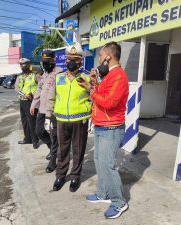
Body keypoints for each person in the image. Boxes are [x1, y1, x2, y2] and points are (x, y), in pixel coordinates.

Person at [78, 42, 129, 219]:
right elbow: (99, 96)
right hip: (101, 125)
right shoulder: (107, 76)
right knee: (99, 161)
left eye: (100, 55)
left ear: (108, 57)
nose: (98, 59)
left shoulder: (119, 76)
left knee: (108, 165)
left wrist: (92, 90)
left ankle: (119, 202)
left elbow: (109, 102)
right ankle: (103, 193)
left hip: (111, 127)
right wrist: (92, 83)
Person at [52, 43, 91, 192]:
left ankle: (75, 176)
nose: (71, 62)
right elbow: (53, 98)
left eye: (75, 59)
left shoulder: (87, 78)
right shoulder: (58, 78)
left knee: (78, 149)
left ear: (80, 61)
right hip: (61, 120)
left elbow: (94, 95)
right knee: (62, 150)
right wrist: (50, 117)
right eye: (69, 59)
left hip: (80, 120)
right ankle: (60, 176)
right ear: (65, 60)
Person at [30, 50, 61, 173]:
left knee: (54, 134)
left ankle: (53, 159)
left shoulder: (59, 73)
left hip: (53, 110)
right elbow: (39, 90)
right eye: (43, 62)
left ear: (53, 60)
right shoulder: (44, 75)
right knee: (39, 131)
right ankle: (52, 148)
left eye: (47, 62)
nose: (45, 64)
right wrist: (33, 104)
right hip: (42, 109)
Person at [15, 58, 40, 149]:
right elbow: (16, 88)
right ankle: (27, 139)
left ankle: (35, 140)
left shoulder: (35, 75)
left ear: (29, 65)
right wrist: (24, 95)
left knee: (32, 122)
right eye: (21, 65)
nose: (22, 66)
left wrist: (33, 94)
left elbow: (41, 87)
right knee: (24, 121)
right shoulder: (19, 76)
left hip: (31, 101)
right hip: (22, 100)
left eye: (24, 64)